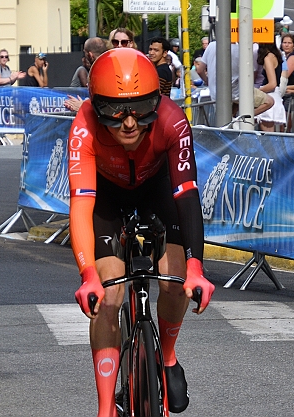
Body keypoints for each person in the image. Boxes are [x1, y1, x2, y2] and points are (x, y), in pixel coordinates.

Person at [68, 48, 214, 417]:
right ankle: (105, 408)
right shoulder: (83, 126)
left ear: (157, 102)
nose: (129, 123)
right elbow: (81, 205)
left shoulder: (173, 120)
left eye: (142, 108)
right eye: (114, 111)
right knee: (110, 297)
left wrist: (196, 268)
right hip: (106, 196)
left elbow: (187, 194)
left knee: (174, 279)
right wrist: (88, 276)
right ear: (96, 105)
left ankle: (166, 356)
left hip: (158, 188)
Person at [64, 38, 109, 112]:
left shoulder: (102, 72)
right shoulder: (105, 68)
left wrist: (83, 106)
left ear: (90, 55)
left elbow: (107, 104)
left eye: (85, 52)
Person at [255, 42, 287, 132]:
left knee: (268, 139)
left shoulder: (268, 57)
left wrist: (256, 91)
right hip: (274, 96)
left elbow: (272, 84)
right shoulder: (276, 55)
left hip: (269, 97)